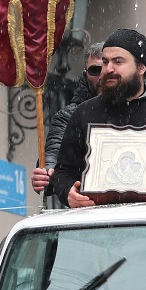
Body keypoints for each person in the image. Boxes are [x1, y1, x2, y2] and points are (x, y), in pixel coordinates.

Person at [50, 28, 146, 207]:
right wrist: (68, 192)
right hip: (97, 224)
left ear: (141, 67)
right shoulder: (84, 113)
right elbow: (64, 171)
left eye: (118, 61)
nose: (108, 69)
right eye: (105, 61)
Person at [30, 41, 104, 196]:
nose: (103, 75)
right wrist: (47, 174)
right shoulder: (68, 116)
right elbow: (53, 156)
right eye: (95, 70)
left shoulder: (143, 108)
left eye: (106, 67)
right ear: (85, 74)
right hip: (84, 209)